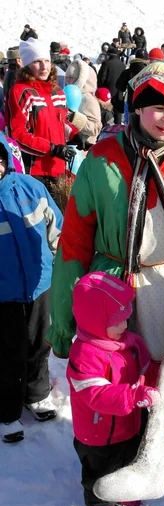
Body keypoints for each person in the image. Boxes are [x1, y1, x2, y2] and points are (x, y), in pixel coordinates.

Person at [45, 60, 164, 475]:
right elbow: (74, 242)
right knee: (114, 375)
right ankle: (117, 449)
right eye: (158, 107)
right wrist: (64, 320)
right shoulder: (101, 161)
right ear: (137, 108)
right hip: (108, 288)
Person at [68, 272, 161, 506]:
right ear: (94, 320)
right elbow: (97, 395)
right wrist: (134, 397)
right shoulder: (84, 356)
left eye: (125, 319)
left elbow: (142, 365)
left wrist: (156, 374)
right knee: (100, 471)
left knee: (127, 460)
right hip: (98, 434)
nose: (125, 326)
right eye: (117, 321)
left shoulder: (126, 342)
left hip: (127, 423)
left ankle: (122, 494)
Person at [0, 132, 63, 443]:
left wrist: (60, 262)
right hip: (4, 294)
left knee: (40, 342)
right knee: (9, 351)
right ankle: (7, 410)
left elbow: (56, 226)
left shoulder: (30, 187)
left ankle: (36, 394)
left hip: (41, 283)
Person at [8, 38, 78, 202]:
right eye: (37, 62)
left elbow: (62, 124)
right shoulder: (21, 92)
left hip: (59, 168)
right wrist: (52, 149)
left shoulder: (58, 92)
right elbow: (18, 135)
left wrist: (75, 135)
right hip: (35, 172)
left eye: (46, 61)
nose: (44, 67)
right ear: (26, 65)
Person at [65, 58, 102, 147]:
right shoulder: (65, 93)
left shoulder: (88, 99)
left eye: (72, 78)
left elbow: (96, 128)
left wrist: (75, 118)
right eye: (67, 77)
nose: (68, 81)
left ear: (80, 79)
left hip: (82, 149)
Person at [97, 46, 126, 124]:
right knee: (118, 113)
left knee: (106, 114)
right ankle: (118, 129)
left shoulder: (106, 64)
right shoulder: (122, 65)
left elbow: (101, 78)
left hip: (106, 93)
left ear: (109, 55)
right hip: (118, 93)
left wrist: (100, 89)